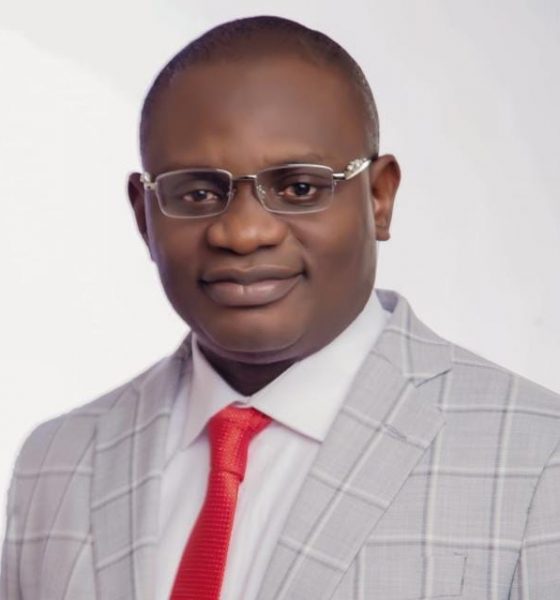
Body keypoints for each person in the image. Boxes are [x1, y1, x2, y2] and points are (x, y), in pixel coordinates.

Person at [2, 15, 560, 600]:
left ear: (379, 198)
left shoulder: (537, 460)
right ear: (145, 215)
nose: (243, 233)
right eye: (198, 192)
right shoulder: (56, 463)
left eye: (299, 188)